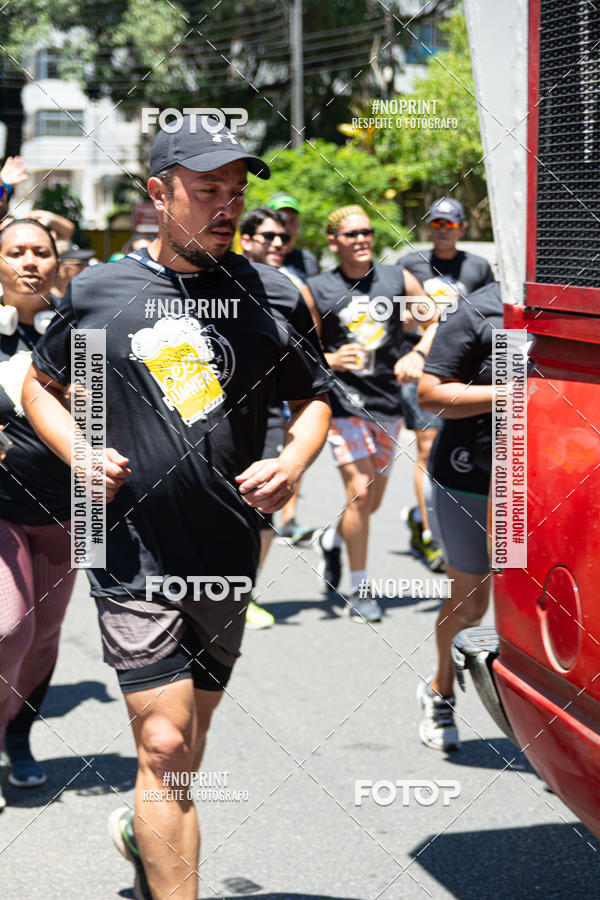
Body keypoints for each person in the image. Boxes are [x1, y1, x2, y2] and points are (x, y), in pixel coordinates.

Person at [23, 115, 331, 900]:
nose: (228, 207)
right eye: (208, 190)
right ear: (160, 194)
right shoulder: (100, 290)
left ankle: (144, 835)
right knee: (163, 744)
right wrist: (79, 453)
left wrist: (293, 461)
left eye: (237, 191)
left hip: (227, 552)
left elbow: (314, 399)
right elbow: (39, 387)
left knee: (185, 749)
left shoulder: (272, 293)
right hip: (130, 549)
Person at [306, 205, 430, 623]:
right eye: (351, 234)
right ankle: (360, 590)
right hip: (344, 406)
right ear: (333, 242)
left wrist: (418, 353)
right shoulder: (317, 289)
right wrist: (330, 360)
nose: (362, 239)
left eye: (366, 232)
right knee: (359, 492)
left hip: (387, 405)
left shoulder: (398, 279)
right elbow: (300, 350)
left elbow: (435, 320)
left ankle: (332, 539)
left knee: (369, 503)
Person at [0, 219, 77, 807]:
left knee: (45, 638)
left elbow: (107, 418)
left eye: (41, 252)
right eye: (15, 252)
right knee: (10, 629)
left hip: (70, 509)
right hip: (1, 509)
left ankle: (18, 736)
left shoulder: (80, 333)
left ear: (57, 262)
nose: (30, 261)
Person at [416, 280, 502, 751]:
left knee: (539, 609)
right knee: (471, 605)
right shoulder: (477, 309)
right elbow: (429, 395)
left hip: (542, 482)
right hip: (469, 478)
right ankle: (440, 691)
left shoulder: (575, 310)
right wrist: (509, 394)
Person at [397, 198, 495, 568]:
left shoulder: (477, 266)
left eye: (449, 224)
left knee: (455, 448)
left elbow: (491, 316)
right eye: (436, 223)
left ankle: (436, 520)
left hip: (464, 372)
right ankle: (432, 535)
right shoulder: (410, 264)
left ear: (462, 229)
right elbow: (399, 313)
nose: (442, 230)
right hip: (423, 365)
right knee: (426, 447)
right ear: (429, 227)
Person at [267, 192, 320, 283]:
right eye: (281, 220)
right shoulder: (257, 258)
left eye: (292, 220)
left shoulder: (307, 260)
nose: (287, 227)